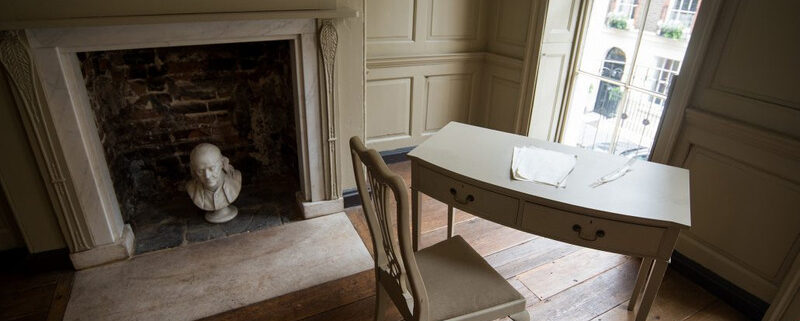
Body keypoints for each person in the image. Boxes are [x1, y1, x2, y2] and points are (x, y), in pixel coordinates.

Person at [186, 143, 242, 223]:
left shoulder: (235, 179)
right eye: (200, 171)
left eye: (212, 168)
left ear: (222, 163)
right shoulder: (191, 188)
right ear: (193, 170)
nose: (207, 176)